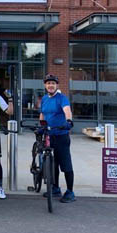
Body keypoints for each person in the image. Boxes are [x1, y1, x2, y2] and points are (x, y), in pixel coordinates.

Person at [39, 74, 75, 203]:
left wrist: (69, 121)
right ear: (45, 85)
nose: (50, 85)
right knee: (53, 163)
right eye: (48, 83)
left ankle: (70, 191)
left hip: (61, 135)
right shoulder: (44, 99)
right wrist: (41, 126)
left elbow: (67, 111)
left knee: (65, 164)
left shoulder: (61, 98)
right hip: (49, 135)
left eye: (53, 83)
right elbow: (42, 114)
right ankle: (55, 188)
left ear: (56, 85)